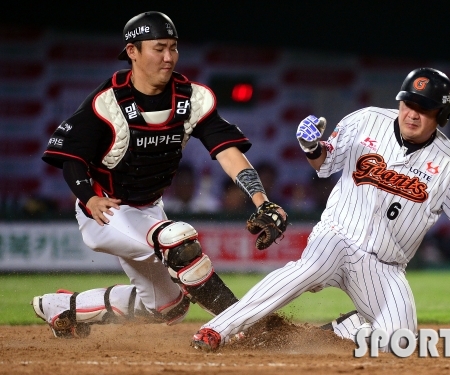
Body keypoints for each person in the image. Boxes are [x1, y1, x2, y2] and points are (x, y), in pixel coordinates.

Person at [191, 67, 450, 351]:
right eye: (407, 103)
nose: (411, 113)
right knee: (306, 269)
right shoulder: (366, 120)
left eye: (423, 108)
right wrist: (311, 148)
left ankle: (343, 329)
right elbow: (325, 163)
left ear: (441, 115)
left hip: (383, 265)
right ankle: (217, 329)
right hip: (337, 237)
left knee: (401, 340)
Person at [31, 11, 285, 338]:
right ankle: (243, 325)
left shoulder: (190, 98)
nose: (169, 57)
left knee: (169, 307)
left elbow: (227, 152)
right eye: (159, 48)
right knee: (177, 241)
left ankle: (63, 308)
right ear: (132, 52)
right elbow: (71, 157)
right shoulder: (107, 101)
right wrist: (89, 197)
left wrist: (261, 201)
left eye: (174, 48)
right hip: (107, 211)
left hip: (149, 210)